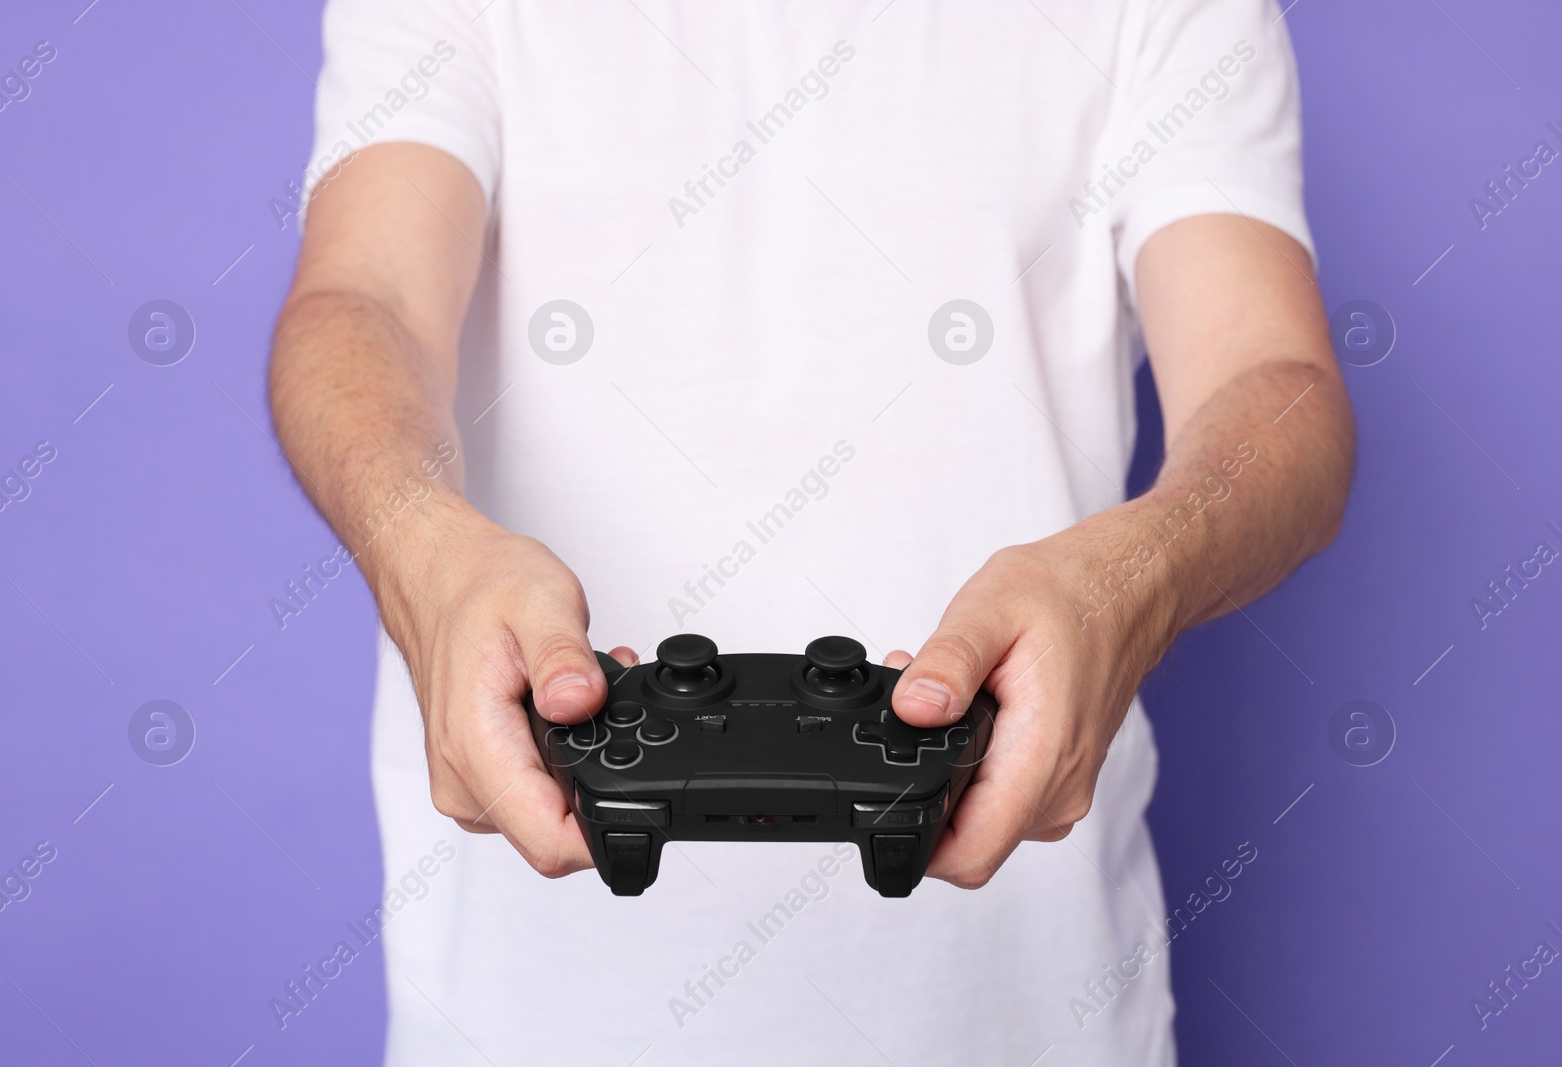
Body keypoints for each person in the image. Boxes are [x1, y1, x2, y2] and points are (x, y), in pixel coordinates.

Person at [268, 0, 1352, 1063]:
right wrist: (417, 545)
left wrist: (1138, 578)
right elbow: (366, 299)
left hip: (1030, 1014)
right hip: (528, 1018)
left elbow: (1273, 382)